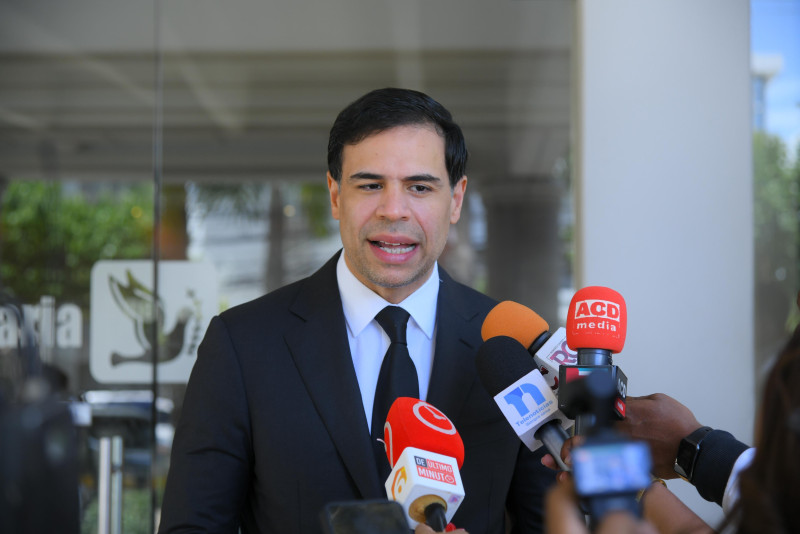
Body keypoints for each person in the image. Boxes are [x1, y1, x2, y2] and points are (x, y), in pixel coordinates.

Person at [158, 87, 555, 534]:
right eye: (370, 185)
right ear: (335, 195)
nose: (393, 210)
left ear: (456, 200)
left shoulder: (511, 351)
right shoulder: (243, 345)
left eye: (419, 187)